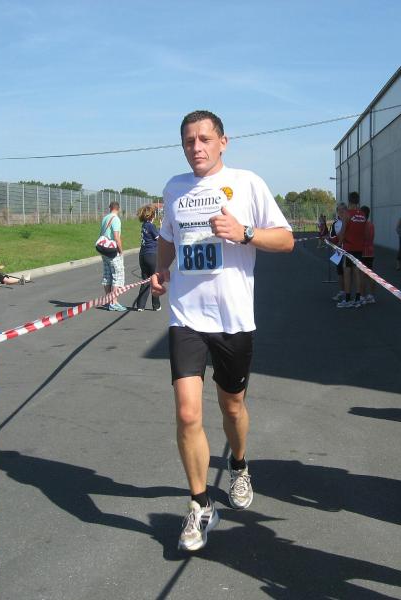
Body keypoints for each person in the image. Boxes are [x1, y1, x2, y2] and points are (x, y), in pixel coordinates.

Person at [150, 110, 293, 552]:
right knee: (187, 413)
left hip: (233, 319)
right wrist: (161, 271)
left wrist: (244, 232)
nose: (196, 147)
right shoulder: (174, 188)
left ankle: (240, 465)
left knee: (232, 408)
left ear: (223, 142)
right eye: (189, 141)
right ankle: (199, 504)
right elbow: (168, 237)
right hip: (186, 317)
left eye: (205, 139)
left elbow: (286, 240)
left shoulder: (246, 184)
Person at [337, 192, 366, 308]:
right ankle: (358, 298)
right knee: (357, 272)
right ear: (358, 201)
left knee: (347, 272)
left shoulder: (347, 214)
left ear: (349, 201)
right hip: (359, 248)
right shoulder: (363, 215)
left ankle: (348, 299)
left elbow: (343, 232)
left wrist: (338, 244)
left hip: (349, 248)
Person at [132, 205, 161, 312]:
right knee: (155, 280)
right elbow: (159, 239)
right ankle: (156, 305)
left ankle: (141, 305)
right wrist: (161, 229)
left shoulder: (144, 225)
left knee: (145, 279)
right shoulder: (151, 226)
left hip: (143, 255)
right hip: (152, 254)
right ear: (152, 215)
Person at [99, 201, 126, 311]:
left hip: (104, 250)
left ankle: (108, 300)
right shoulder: (116, 219)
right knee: (117, 275)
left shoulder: (105, 218)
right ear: (118, 209)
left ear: (110, 208)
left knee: (107, 275)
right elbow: (116, 236)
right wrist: (121, 250)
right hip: (112, 251)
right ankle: (114, 302)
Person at [329, 203, 347, 302]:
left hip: (349, 251)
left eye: (342, 210)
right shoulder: (335, 224)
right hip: (338, 251)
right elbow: (331, 238)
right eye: (339, 210)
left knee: (349, 272)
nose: (340, 212)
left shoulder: (350, 222)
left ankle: (351, 294)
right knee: (340, 272)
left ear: (346, 210)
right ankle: (342, 292)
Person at [360, 205, 376, 304]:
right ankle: (371, 295)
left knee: (361, 275)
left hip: (363, 252)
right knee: (370, 275)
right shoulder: (371, 225)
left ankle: (362, 296)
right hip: (370, 252)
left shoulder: (362, 225)